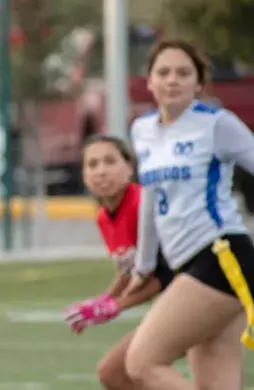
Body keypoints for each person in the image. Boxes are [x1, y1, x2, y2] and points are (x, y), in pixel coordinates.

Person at [124, 39, 253, 390]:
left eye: (184, 73)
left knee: (141, 362)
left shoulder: (216, 123)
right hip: (187, 263)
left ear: (198, 83)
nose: (172, 80)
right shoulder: (142, 129)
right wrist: (143, 267)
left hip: (221, 256)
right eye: (163, 72)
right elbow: (150, 201)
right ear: (149, 81)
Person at [64, 134, 174, 390]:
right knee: (113, 373)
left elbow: (164, 275)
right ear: (83, 175)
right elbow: (130, 270)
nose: (101, 171)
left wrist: (116, 306)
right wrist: (102, 300)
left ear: (129, 168)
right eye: (92, 165)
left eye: (110, 161)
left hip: (199, 294)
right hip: (172, 302)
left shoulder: (141, 204)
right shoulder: (103, 217)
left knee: (131, 367)